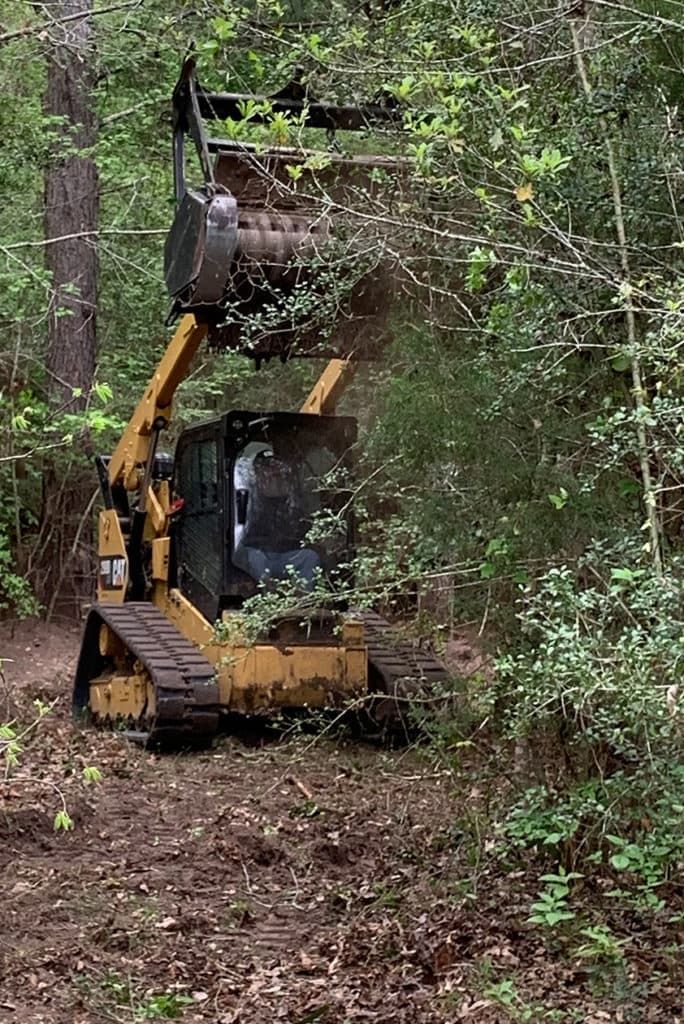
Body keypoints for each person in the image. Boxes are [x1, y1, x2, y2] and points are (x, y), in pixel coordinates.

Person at [235, 449, 319, 589]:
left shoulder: (292, 499)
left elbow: (303, 529)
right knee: (256, 558)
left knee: (309, 557)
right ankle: (268, 599)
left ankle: (302, 602)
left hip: (284, 557)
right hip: (257, 554)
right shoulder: (249, 497)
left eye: (275, 472)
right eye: (265, 471)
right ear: (257, 474)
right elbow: (241, 533)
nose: (270, 476)